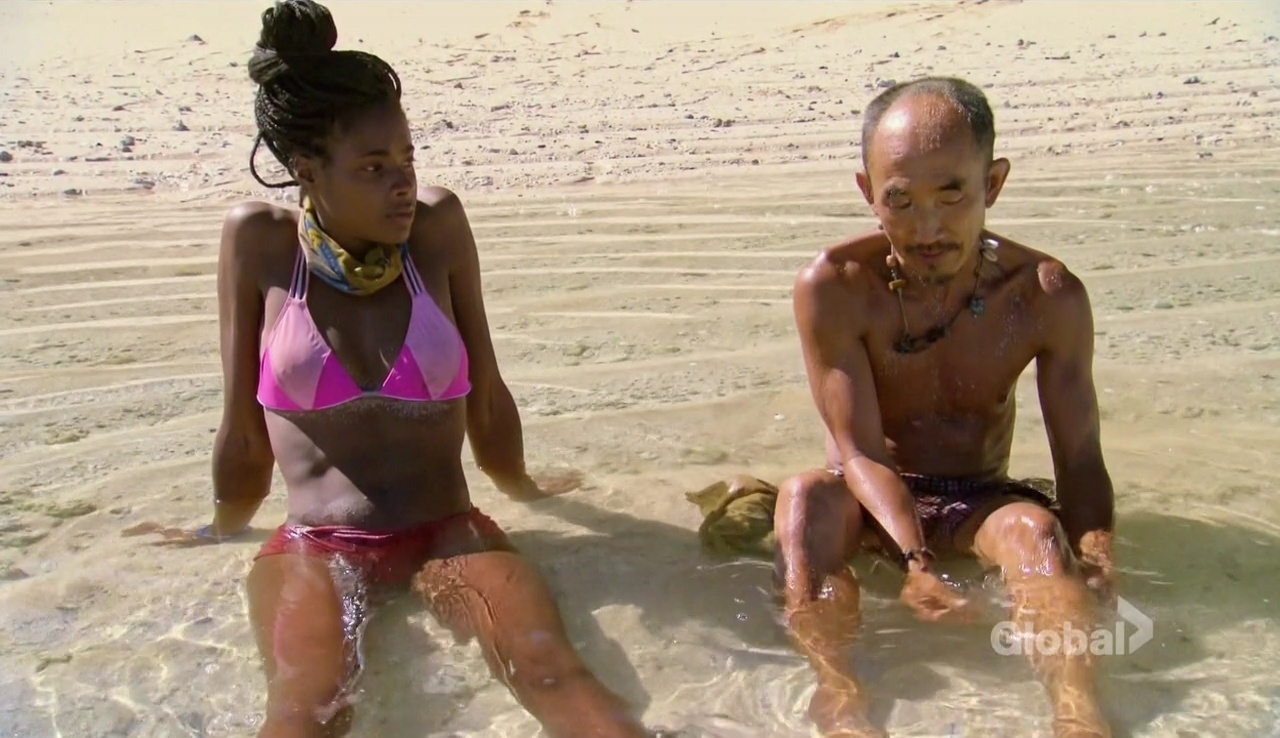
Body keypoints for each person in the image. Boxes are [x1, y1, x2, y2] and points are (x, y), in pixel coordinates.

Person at [124, 2, 657, 736]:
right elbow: (242, 426)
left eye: (407, 160)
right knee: (311, 708)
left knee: (549, 672)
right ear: (307, 170)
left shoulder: (437, 228)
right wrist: (220, 527)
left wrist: (526, 490)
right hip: (319, 544)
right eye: (374, 168)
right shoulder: (259, 243)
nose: (402, 184)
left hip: (450, 532)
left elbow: (488, 396)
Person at [774, 76, 1117, 738]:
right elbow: (859, 449)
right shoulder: (834, 287)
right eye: (900, 200)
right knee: (804, 500)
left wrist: (1098, 558)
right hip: (868, 496)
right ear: (868, 192)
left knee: (1037, 534)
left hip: (978, 498)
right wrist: (915, 561)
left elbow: (1078, 458)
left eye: (952, 194)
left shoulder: (1046, 295)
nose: (926, 227)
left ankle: (1079, 714)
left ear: (993, 183)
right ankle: (840, 702)